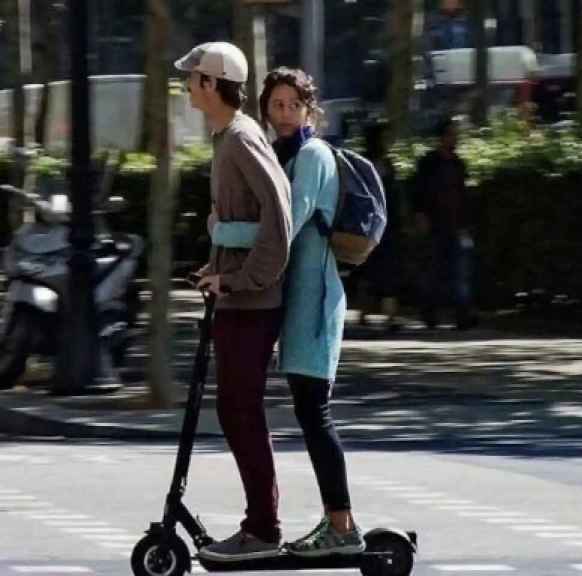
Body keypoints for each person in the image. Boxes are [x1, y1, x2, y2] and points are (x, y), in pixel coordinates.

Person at [211, 67, 364, 558]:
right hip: (292, 301)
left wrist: (222, 230)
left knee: (314, 412)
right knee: (307, 409)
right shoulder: (280, 155)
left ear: (308, 109)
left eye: (292, 106)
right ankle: (338, 525)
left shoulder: (313, 156)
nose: (282, 114)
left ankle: (342, 527)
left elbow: (286, 227)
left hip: (314, 304)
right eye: (275, 105)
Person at [174, 42, 293, 561]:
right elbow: (245, 221)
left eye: (191, 77)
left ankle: (263, 529)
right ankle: (260, 525)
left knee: (241, 411)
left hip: (253, 304)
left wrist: (242, 279)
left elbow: (279, 218)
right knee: (234, 409)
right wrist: (217, 270)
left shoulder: (242, 138)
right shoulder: (227, 137)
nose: (185, 86)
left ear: (210, 83)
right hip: (237, 299)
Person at [412, 117, 476, 330]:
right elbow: (418, 192)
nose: (454, 138)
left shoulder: (458, 163)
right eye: (450, 134)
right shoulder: (429, 162)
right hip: (435, 224)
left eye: (455, 134)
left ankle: (462, 314)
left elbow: (463, 194)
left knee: (460, 272)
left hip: (456, 225)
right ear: (441, 138)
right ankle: (429, 312)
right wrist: (420, 215)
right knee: (433, 270)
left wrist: (466, 223)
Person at [358, 120, 403, 331]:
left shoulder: (382, 163)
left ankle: (387, 314)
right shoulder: (369, 164)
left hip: (385, 224)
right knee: (371, 268)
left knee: (382, 268)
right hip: (371, 223)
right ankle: (368, 312)